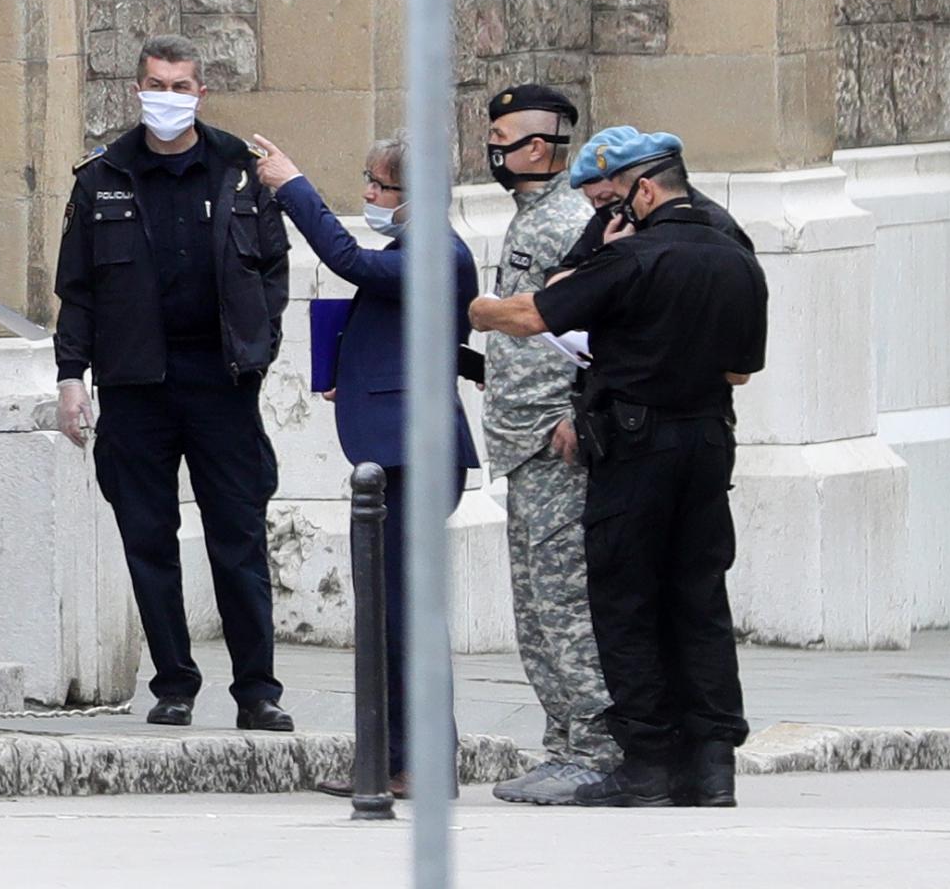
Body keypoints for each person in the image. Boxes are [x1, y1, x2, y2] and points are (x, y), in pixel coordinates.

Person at [468, 129, 768, 808]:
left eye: (612, 194)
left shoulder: (632, 256)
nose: (606, 208)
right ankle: (712, 764)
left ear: (646, 186)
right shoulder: (735, 257)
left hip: (633, 448)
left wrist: (478, 309)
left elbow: (531, 314)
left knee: (625, 600)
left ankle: (647, 763)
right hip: (706, 441)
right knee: (698, 599)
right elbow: (739, 371)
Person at [53, 34, 293, 732]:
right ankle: (174, 682)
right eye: (157, 84)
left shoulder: (238, 170)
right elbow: (78, 290)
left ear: (200, 92)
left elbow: (271, 271)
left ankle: (256, 689)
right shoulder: (102, 177)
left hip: (221, 383)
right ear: (137, 89)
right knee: (147, 537)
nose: (168, 96)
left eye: (181, 86)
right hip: (135, 386)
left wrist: (261, 344)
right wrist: (72, 378)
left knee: (238, 537)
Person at [252, 131, 480, 800]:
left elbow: (347, 259)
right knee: (389, 614)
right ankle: (391, 757)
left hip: (415, 455)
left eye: (379, 187)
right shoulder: (415, 249)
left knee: (404, 615)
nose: (369, 197)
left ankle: (421, 759)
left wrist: (293, 185)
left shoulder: (437, 249)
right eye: (368, 182)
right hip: (392, 449)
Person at [479, 84, 622, 805]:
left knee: (564, 605)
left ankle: (596, 747)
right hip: (520, 441)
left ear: (536, 148)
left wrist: (575, 411)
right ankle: (562, 740)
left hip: (551, 439)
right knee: (535, 609)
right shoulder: (531, 218)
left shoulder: (569, 220)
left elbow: (593, 330)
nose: (493, 152)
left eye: (502, 138)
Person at [551, 125, 753, 277]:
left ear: (641, 186)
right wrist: (604, 258)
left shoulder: (716, 227)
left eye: (609, 197)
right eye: (592, 200)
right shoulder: (612, 219)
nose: (599, 207)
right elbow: (558, 280)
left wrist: (617, 260)